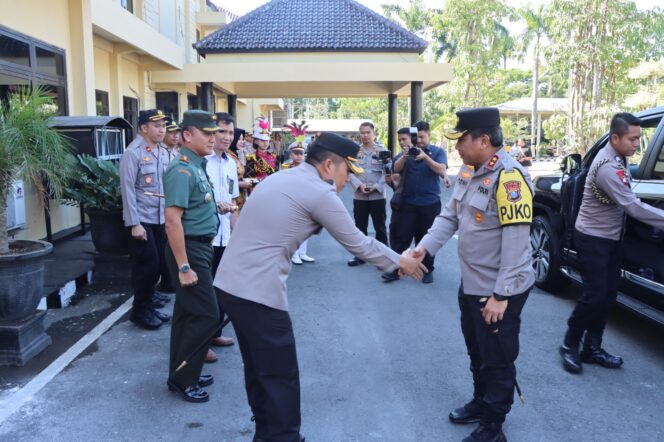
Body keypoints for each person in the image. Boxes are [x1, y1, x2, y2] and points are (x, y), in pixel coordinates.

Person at [213, 132, 427, 442]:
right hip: (258, 293)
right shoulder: (318, 191)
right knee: (279, 376)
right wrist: (400, 262)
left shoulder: (283, 177)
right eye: (346, 172)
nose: (347, 180)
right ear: (329, 165)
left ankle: (267, 433)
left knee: (260, 372)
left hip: (231, 285)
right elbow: (358, 242)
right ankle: (281, 437)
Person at [411, 108, 534, 442]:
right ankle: (482, 402)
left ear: (483, 139)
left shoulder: (509, 178)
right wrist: (424, 248)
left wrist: (501, 295)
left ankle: (494, 426)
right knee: (477, 349)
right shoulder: (468, 171)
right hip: (473, 283)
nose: (458, 148)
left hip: (499, 289)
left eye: (462, 140)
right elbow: (449, 216)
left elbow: (516, 242)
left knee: (498, 357)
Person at [560, 112, 664, 374]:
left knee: (607, 296)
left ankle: (592, 348)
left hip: (611, 238)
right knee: (594, 296)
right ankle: (569, 344)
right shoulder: (607, 166)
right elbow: (632, 206)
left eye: (639, 139)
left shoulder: (619, 156)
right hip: (594, 239)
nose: (636, 145)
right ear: (615, 137)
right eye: (632, 139)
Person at [163, 110, 221, 403]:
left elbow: (193, 207)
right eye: (207, 133)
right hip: (189, 251)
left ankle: (183, 374)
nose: (213, 138)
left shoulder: (197, 166)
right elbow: (172, 221)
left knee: (187, 315)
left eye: (214, 133)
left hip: (199, 247)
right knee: (207, 315)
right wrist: (184, 266)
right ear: (187, 135)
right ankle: (185, 379)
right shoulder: (182, 169)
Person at [120, 109, 172, 330]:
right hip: (142, 220)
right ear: (143, 128)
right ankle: (139, 311)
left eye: (163, 126)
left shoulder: (163, 151)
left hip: (160, 218)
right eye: (157, 125)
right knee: (146, 266)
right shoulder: (133, 153)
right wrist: (134, 223)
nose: (162, 130)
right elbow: (128, 190)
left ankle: (148, 304)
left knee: (159, 263)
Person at [384, 121, 450, 284]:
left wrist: (425, 157)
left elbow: (442, 170)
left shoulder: (437, 151)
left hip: (430, 203)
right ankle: (396, 268)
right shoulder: (409, 152)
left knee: (427, 238)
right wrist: (407, 156)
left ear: (429, 135)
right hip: (409, 203)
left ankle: (428, 269)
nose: (418, 140)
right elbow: (396, 168)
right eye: (416, 137)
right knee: (402, 237)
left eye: (421, 136)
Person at [203, 112, 238, 363]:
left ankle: (215, 333)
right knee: (203, 293)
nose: (226, 137)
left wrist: (238, 236)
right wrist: (217, 206)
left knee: (222, 288)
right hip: (205, 237)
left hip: (225, 236)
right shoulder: (199, 162)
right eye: (221, 132)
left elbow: (234, 201)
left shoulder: (230, 163)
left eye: (230, 133)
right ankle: (200, 343)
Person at [347, 122, 389, 266]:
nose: (365, 135)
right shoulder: (353, 152)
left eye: (368, 132)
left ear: (374, 134)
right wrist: (359, 185)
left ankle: (383, 256)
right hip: (360, 196)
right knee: (360, 227)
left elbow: (387, 172)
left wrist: (377, 187)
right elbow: (349, 172)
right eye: (362, 133)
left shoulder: (383, 151)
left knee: (380, 227)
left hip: (377, 196)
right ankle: (360, 256)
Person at [282, 144, 315, 265]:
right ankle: (293, 254)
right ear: (291, 154)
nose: (299, 156)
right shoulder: (286, 167)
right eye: (296, 153)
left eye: (301, 153)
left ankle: (302, 252)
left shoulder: (309, 168)